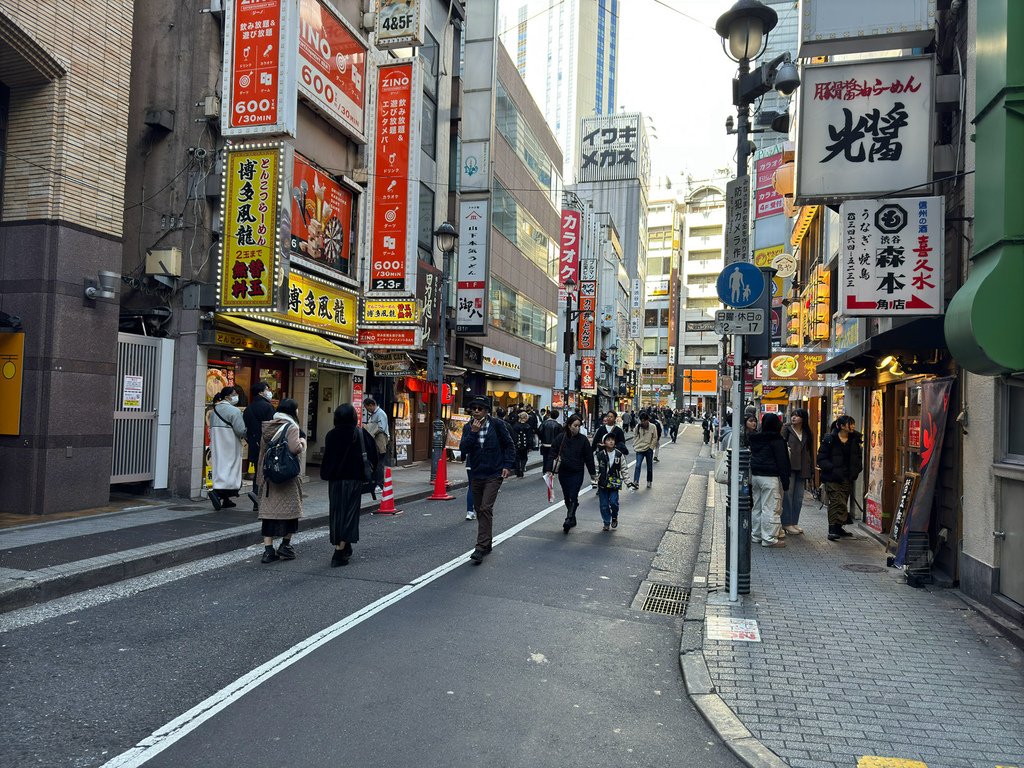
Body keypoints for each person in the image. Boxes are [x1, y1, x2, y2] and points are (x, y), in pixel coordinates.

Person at [319, 404, 379, 567]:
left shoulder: (331, 435)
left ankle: (344, 545)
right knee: (350, 514)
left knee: (337, 513)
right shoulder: (360, 433)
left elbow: (327, 459)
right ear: (354, 417)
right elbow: (374, 454)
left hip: (335, 481)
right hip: (354, 479)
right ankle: (339, 552)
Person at [459, 396, 515, 564]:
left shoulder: (497, 425)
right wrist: (473, 434)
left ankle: (480, 547)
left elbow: (508, 445)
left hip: (494, 473)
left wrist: (507, 465)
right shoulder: (468, 427)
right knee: (479, 509)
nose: (476, 411)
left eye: (480, 408)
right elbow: (463, 449)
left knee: (485, 507)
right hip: (476, 473)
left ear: (486, 410)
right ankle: (487, 543)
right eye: (474, 408)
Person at [254, 399, 306, 563]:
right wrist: (303, 442)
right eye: (297, 409)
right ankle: (285, 545)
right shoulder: (292, 427)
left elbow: (262, 453)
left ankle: (268, 550)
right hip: (287, 477)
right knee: (291, 512)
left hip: (270, 477)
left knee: (268, 515)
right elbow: (294, 448)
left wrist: (260, 478)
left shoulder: (268, 426)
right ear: (292, 411)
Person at [545, 413, 597, 533]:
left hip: (577, 471)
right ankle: (572, 516)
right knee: (567, 497)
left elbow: (589, 457)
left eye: (579, 426)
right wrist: (549, 469)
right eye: (575, 425)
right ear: (569, 425)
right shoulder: (561, 437)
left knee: (573, 495)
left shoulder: (583, 440)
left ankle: (568, 519)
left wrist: (592, 474)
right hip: (563, 472)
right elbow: (553, 453)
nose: (577, 428)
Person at [817, 415, 864, 541]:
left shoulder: (855, 439)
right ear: (842, 426)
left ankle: (839, 527)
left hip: (847, 477)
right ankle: (832, 529)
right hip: (833, 477)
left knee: (843, 501)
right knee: (836, 502)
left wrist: (856, 470)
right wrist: (831, 468)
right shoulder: (830, 439)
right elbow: (821, 458)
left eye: (853, 423)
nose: (853, 426)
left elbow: (858, 459)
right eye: (850, 424)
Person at [749, 412, 791, 548]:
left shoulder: (756, 438)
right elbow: (782, 461)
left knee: (757, 507)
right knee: (770, 507)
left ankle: (756, 535)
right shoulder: (777, 440)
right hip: (770, 477)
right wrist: (785, 482)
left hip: (755, 477)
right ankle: (769, 538)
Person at [208, 386, 247, 510]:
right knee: (230, 469)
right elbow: (241, 430)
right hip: (230, 444)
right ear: (227, 397)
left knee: (220, 468)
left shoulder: (215, 410)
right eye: (234, 394)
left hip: (217, 444)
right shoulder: (234, 411)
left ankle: (226, 499)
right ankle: (217, 493)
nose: (236, 396)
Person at [781, 408, 815, 536]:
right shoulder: (787, 429)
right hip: (789, 467)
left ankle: (794, 522)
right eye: (793, 415)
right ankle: (786, 523)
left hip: (803, 467)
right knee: (788, 496)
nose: (794, 417)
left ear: (803, 418)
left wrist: (811, 469)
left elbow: (810, 452)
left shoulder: (807, 432)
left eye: (797, 415)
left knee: (799, 497)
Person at [243, 381, 276, 510]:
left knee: (258, 471)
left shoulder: (248, 408)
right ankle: (261, 496)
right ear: (261, 392)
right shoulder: (268, 407)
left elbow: (247, 428)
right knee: (267, 471)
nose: (269, 391)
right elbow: (272, 427)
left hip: (254, 444)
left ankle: (256, 497)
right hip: (266, 444)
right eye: (267, 389)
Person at [594, 432, 626, 532]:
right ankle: (606, 522)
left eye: (612, 439)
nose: (611, 441)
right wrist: (595, 480)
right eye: (608, 440)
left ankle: (615, 516)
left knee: (613, 502)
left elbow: (624, 469)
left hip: (614, 483)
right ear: (604, 442)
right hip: (603, 484)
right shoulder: (599, 455)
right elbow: (596, 469)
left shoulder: (619, 454)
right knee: (603, 505)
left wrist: (628, 482)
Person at [363, 397, 389, 492]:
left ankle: (380, 484)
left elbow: (381, 428)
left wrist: (369, 429)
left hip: (380, 441)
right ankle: (375, 483)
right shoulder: (374, 414)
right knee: (375, 462)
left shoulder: (380, 413)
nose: (367, 410)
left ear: (371, 405)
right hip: (375, 441)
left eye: (367, 408)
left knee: (379, 463)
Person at [629, 412, 658, 490]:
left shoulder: (653, 427)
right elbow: (634, 436)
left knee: (649, 466)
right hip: (639, 449)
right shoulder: (638, 427)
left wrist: (651, 447)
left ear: (647, 420)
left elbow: (655, 437)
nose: (642, 422)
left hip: (648, 449)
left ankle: (649, 481)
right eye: (641, 421)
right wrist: (635, 445)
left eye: (644, 421)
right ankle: (636, 482)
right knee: (638, 465)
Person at [511, 410, 537, 477]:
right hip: (525, 444)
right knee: (524, 457)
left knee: (517, 457)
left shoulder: (515, 426)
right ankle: (522, 468)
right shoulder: (527, 426)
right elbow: (529, 437)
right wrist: (530, 445)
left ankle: (518, 470)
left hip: (517, 444)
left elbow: (513, 435)